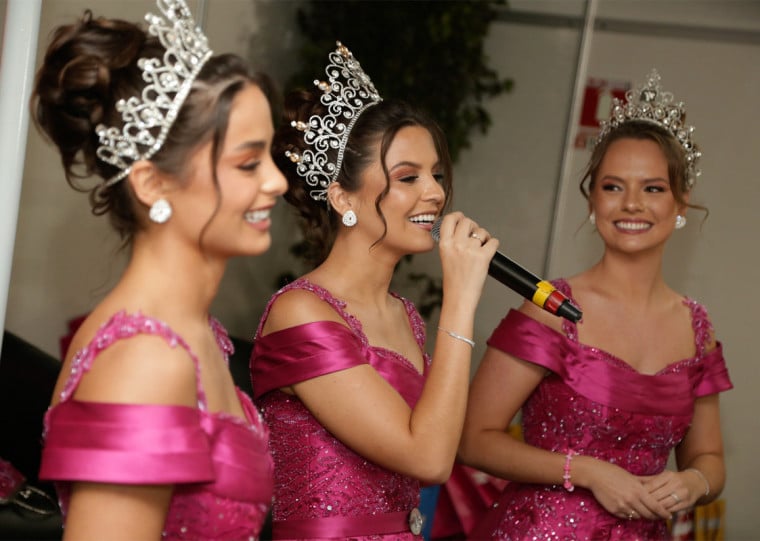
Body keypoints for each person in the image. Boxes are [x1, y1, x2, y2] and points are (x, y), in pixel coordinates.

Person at [31, 1, 286, 539]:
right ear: (151, 184)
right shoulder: (142, 361)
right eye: (248, 162)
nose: (277, 181)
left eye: (271, 158)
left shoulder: (198, 335)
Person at [458, 69, 733, 540]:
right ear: (592, 201)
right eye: (612, 186)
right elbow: (473, 439)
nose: (631, 204)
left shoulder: (697, 328)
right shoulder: (550, 309)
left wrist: (693, 482)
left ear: (681, 203)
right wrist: (584, 471)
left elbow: (708, 459)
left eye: (653, 188)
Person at [249, 41, 498, 540]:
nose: (435, 193)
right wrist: (461, 301)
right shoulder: (301, 312)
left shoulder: (406, 316)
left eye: (436, 174)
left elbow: (439, 440)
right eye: (408, 177)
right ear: (343, 197)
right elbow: (428, 459)